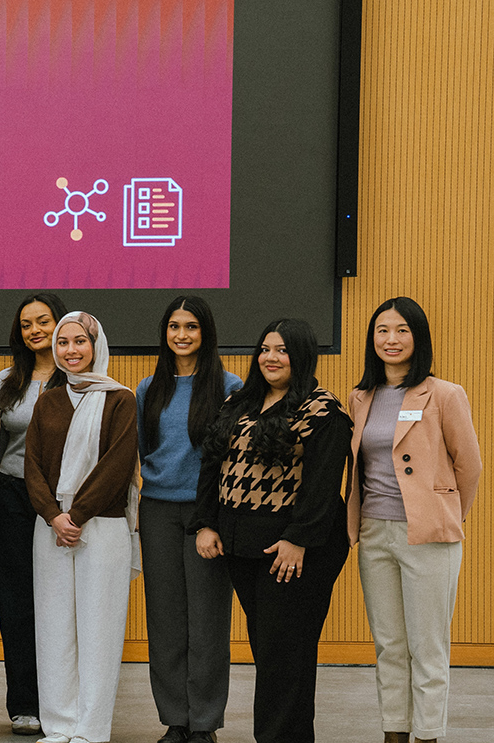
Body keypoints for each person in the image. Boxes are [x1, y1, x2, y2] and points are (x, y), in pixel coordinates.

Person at [192, 318, 353, 743]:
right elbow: (213, 466)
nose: (271, 357)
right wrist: (206, 522)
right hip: (242, 544)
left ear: (300, 356)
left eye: (281, 350)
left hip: (296, 548)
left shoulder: (323, 410)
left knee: (285, 656)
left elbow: (322, 486)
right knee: (272, 652)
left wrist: (299, 539)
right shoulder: (240, 401)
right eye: (265, 349)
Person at [346, 298, 481, 743]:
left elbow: (470, 466)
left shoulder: (444, 394)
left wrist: (443, 517)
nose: (391, 339)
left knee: (428, 647)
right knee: (389, 645)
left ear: (417, 337)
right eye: (382, 330)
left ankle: (427, 735)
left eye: (402, 330)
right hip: (374, 532)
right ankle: (394, 733)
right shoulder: (360, 396)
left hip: (429, 536)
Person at [24, 311, 138, 743]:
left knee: (99, 630)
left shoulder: (121, 399)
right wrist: (54, 515)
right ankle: (59, 725)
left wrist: (77, 515)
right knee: (53, 628)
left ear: (97, 345)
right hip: (50, 524)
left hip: (101, 527)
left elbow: (118, 464)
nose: (71, 350)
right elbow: (30, 465)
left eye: (80, 341)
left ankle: (90, 729)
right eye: (64, 343)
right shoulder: (47, 400)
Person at [135, 297, 242, 743]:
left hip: (207, 515)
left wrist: (211, 519)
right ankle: (175, 721)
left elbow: (231, 458)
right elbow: (142, 451)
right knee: (164, 621)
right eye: (175, 326)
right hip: (157, 510)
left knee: (207, 620)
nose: (182, 335)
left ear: (206, 333)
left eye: (192, 327)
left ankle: (204, 723)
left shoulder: (230, 386)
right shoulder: (147, 388)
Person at [0, 293, 67, 738]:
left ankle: (61, 701)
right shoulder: (7, 380)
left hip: (63, 503)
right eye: (26, 324)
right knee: (17, 601)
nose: (35, 330)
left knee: (58, 603)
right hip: (14, 497)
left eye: (43, 321)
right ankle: (24, 705)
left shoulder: (80, 374)